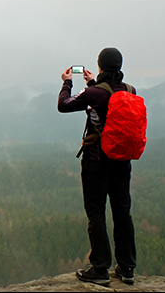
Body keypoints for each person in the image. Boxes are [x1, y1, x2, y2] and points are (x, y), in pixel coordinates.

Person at [57, 47, 137, 286]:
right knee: (122, 211)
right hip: (123, 161)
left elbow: (64, 104)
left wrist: (67, 83)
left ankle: (100, 269)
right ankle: (127, 268)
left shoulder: (94, 94)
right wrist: (93, 82)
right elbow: (110, 100)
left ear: (101, 66)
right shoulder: (130, 90)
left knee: (96, 212)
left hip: (97, 161)